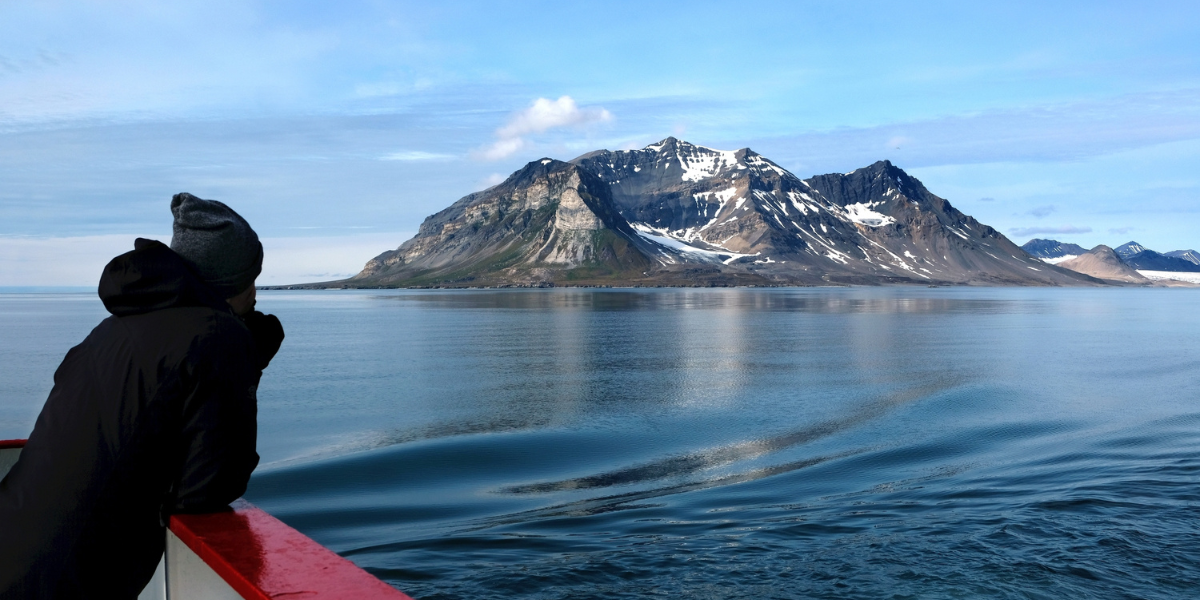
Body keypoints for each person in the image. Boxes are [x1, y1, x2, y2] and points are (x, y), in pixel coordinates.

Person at [0, 193, 285, 599]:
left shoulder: (113, 329)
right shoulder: (219, 337)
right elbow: (209, 487)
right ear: (227, 282)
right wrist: (243, 367)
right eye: (250, 278)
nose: (256, 293)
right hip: (66, 578)